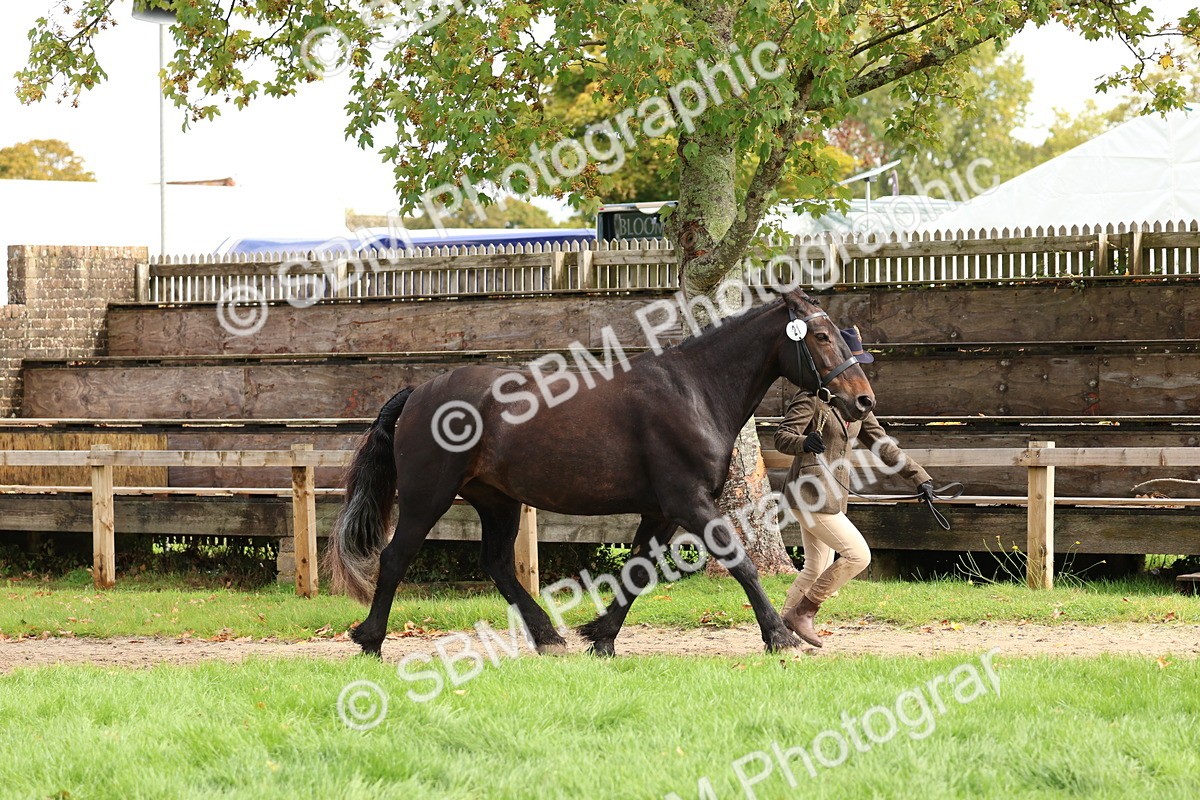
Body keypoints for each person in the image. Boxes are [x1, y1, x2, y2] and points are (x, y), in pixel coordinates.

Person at [774, 326, 936, 648]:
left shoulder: (858, 406)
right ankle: (804, 612)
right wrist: (805, 442)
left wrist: (920, 478)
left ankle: (778, 634)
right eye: (853, 362)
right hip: (808, 494)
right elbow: (782, 437)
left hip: (832, 497)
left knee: (814, 568)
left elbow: (883, 446)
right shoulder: (811, 396)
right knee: (858, 555)